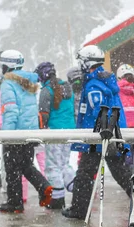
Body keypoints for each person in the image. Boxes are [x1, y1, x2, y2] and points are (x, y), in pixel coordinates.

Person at [62, 45, 134, 220]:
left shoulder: (93, 85)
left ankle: (79, 209)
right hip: (111, 134)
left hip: (99, 137)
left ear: (87, 63)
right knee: (120, 171)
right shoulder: (105, 81)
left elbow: (100, 108)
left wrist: (104, 129)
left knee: (85, 173)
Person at [0, 49, 53, 213]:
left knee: (12, 168)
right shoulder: (27, 82)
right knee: (26, 165)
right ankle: (43, 186)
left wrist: (7, 136)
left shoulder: (8, 83)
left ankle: (15, 202)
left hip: (15, 133)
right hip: (30, 132)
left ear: (7, 66)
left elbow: (11, 110)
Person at [35, 61, 76, 210]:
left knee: (52, 166)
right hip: (70, 130)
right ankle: (78, 191)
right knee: (64, 164)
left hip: (54, 132)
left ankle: (58, 200)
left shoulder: (46, 91)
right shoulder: (67, 87)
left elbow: (43, 115)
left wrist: (41, 129)